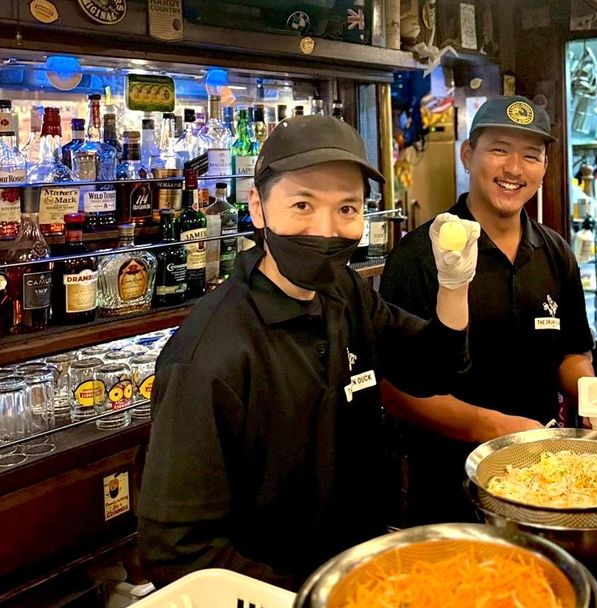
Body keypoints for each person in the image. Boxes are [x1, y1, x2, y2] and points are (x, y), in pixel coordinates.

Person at [137, 115, 480, 588]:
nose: (326, 230)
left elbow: (432, 369)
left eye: (347, 208)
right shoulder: (208, 357)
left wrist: (454, 284)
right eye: (302, 204)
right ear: (257, 207)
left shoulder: (345, 293)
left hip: (364, 575)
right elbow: (175, 551)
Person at [379, 96, 595, 524]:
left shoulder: (555, 252)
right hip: (449, 487)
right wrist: (489, 428)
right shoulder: (420, 255)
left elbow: (572, 352)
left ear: (545, 167)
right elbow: (393, 389)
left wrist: (593, 400)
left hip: (543, 482)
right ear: (467, 155)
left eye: (530, 155)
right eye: (499, 149)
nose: (514, 169)